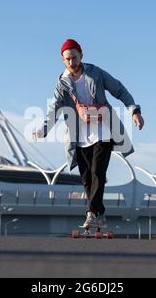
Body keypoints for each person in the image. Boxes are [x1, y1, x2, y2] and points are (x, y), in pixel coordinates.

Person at [34, 39, 144, 229]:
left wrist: (134, 111)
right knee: (86, 178)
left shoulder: (96, 73)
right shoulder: (62, 83)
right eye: (67, 59)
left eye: (74, 58)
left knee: (98, 172)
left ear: (81, 56)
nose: (71, 62)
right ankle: (100, 213)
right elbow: (55, 107)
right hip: (80, 136)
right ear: (63, 60)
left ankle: (91, 213)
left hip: (104, 131)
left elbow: (119, 89)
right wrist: (45, 128)